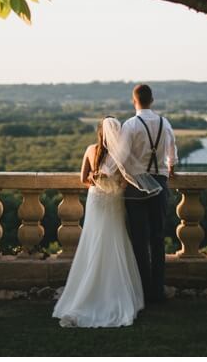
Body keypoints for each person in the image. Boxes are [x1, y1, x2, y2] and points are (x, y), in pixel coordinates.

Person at [52, 116, 160, 327]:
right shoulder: (121, 155)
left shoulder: (90, 150)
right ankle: (113, 293)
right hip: (112, 201)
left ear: (100, 131)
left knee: (93, 242)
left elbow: (83, 179)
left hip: (95, 199)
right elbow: (125, 183)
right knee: (114, 241)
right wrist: (119, 185)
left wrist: (97, 180)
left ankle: (85, 294)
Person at [121, 84, 177, 304]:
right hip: (161, 182)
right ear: (152, 100)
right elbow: (172, 153)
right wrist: (170, 166)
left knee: (139, 239)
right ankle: (157, 290)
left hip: (136, 184)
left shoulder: (131, 125)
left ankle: (142, 290)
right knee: (157, 237)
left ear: (134, 101)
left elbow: (122, 157)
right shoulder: (166, 123)